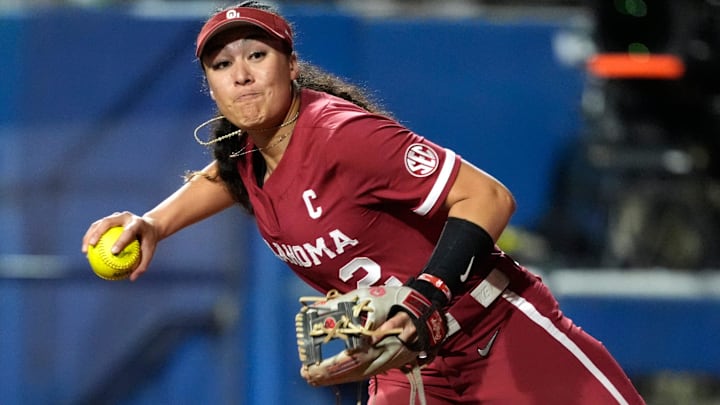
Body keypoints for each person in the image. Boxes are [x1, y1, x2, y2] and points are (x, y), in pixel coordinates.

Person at [82, 2, 646, 404]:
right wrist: (154, 223)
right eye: (223, 66)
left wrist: (424, 300)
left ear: (292, 66)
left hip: (494, 334)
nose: (244, 76)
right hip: (407, 370)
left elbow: (488, 196)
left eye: (257, 54)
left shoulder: (341, 134)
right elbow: (225, 175)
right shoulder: (245, 153)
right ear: (210, 86)